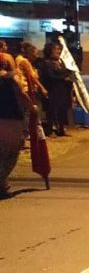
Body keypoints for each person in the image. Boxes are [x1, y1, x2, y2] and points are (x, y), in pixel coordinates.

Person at [0, 57, 36, 198]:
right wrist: (32, 108)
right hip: (10, 118)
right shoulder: (10, 78)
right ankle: (1, 182)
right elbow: (22, 95)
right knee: (11, 153)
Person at [38, 42, 73, 137]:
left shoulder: (60, 61)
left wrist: (69, 77)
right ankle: (50, 130)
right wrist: (63, 78)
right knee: (52, 109)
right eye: (56, 49)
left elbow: (66, 72)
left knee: (62, 109)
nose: (58, 51)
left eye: (59, 49)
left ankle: (61, 129)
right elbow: (50, 76)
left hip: (63, 89)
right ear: (50, 51)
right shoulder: (46, 62)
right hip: (52, 89)